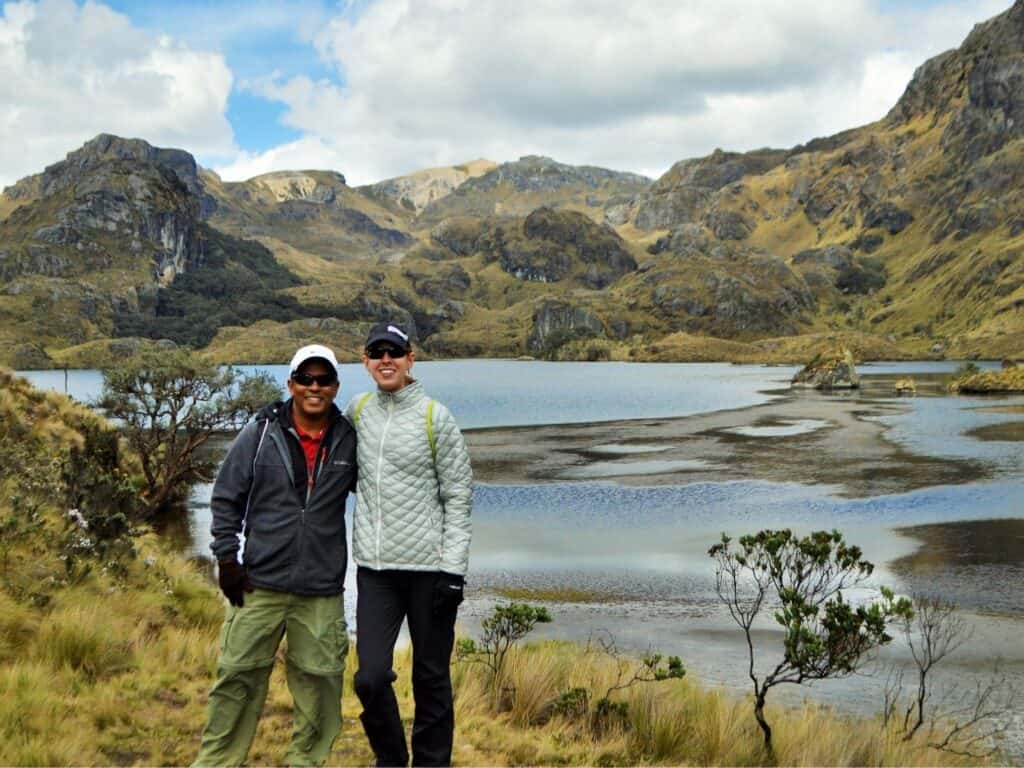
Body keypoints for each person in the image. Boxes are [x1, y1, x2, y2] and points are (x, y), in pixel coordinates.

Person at [193, 344, 357, 767]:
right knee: (237, 679)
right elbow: (226, 496)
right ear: (291, 384)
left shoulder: (348, 438)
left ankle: (305, 761)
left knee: (321, 684)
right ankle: (217, 763)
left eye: (323, 380)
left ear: (335, 386)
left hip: (320, 590)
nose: (314, 387)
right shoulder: (260, 433)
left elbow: (383, 490)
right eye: (306, 379)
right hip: (258, 584)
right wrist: (227, 560)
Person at [346, 322, 473, 768]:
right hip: (376, 571)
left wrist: (453, 572)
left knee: (431, 678)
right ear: (365, 361)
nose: (386, 360)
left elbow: (458, 496)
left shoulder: (435, 417)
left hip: (431, 573)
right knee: (370, 678)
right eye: (377, 352)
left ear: (410, 359)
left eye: (394, 352)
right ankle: (393, 759)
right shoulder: (357, 411)